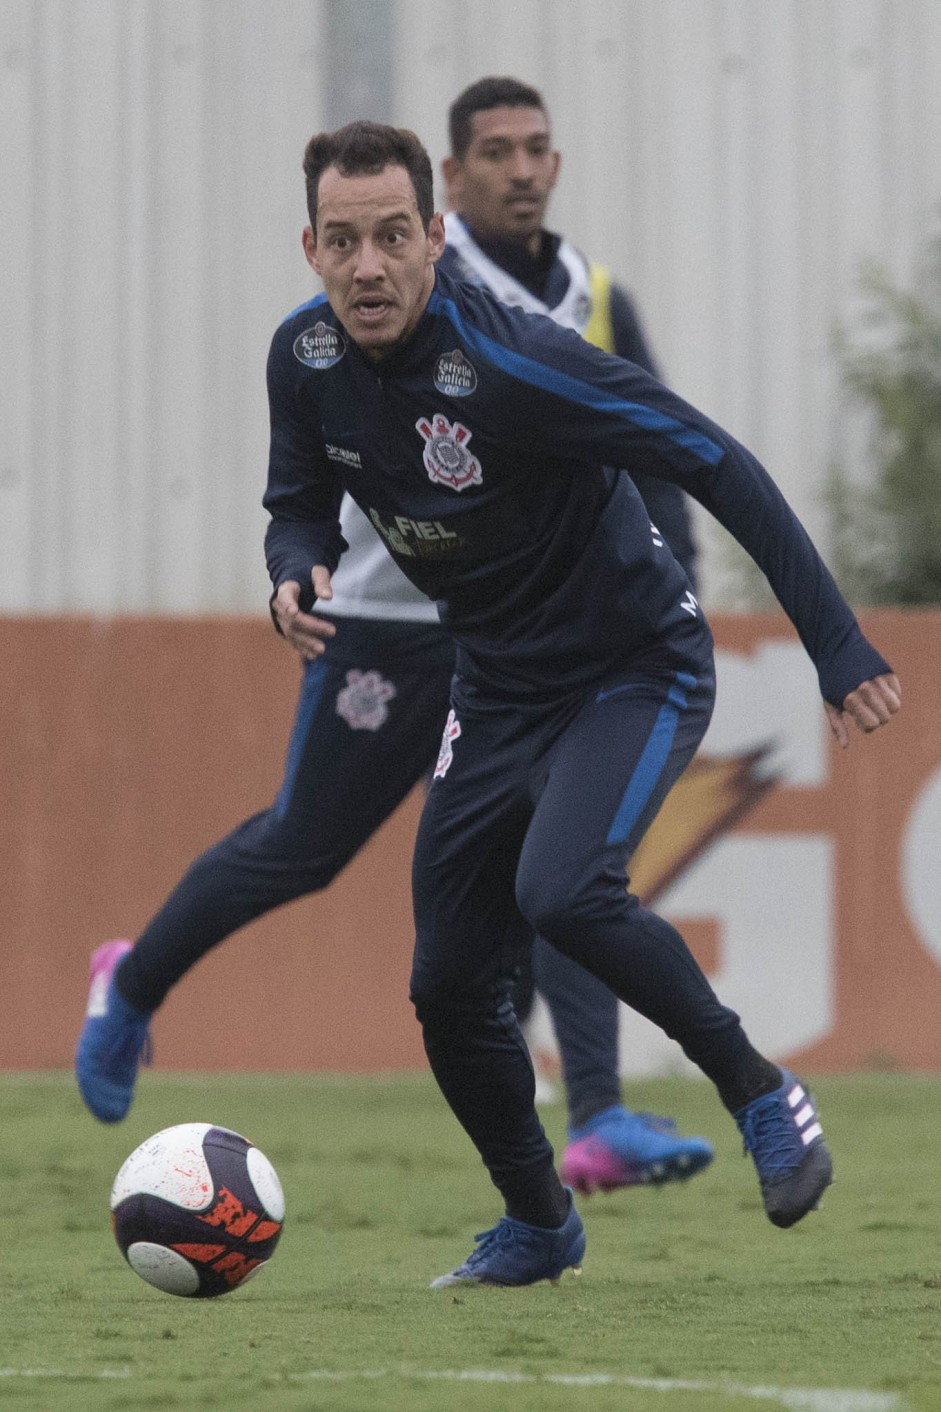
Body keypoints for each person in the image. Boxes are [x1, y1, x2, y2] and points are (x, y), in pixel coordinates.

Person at [260, 119, 899, 1288]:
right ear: (309, 247)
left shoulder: (513, 362)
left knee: (560, 890)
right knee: (444, 984)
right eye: (342, 241)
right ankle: (539, 1220)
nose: (367, 267)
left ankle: (759, 1088)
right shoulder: (301, 362)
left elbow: (712, 457)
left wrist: (835, 642)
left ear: (433, 237)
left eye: (391, 236)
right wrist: (290, 567)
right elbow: (298, 500)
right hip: (494, 685)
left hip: (633, 665)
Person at [75, 79, 713, 1193]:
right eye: (495, 154)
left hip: (540, 635)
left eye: (535, 150)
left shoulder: (590, 295)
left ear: (555, 166)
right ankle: (131, 982)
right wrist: (295, 560)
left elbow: (648, 439)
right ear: (450, 188)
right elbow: (306, 475)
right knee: (301, 847)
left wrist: (671, 572)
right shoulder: (400, 270)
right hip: (385, 619)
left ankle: (599, 1114)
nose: (520, 170)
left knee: (559, 867)